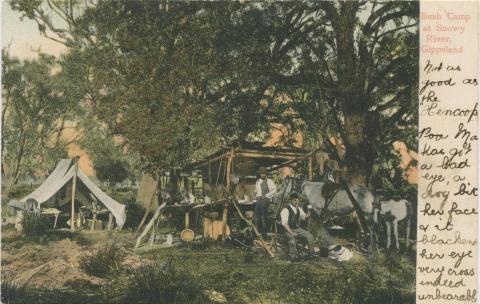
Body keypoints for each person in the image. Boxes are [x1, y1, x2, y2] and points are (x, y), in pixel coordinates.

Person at [280, 192, 315, 260]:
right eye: (294, 200)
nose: (296, 202)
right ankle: (294, 256)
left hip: (297, 229)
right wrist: (292, 233)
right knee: (292, 238)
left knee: (310, 236)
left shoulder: (299, 209)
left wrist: (309, 210)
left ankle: (312, 255)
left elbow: (305, 217)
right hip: (287, 229)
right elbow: (285, 224)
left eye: (297, 200)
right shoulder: (286, 210)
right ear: (290, 200)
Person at [253, 167, 277, 237]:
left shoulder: (269, 181)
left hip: (265, 201)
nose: (263, 175)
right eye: (261, 173)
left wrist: (266, 196)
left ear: (266, 174)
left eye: (264, 173)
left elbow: (274, 190)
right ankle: (256, 233)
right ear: (259, 174)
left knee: (264, 218)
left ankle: (264, 234)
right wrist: (255, 192)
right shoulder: (257, 181)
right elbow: (257, 191)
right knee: (256, 217)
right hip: (258, 200)